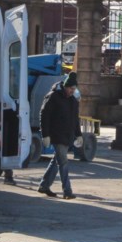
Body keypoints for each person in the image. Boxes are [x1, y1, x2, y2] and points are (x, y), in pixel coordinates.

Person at [37, 71, 81, 200]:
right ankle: (67, 191)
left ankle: (44, 186)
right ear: (65, 87)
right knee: (63, 162)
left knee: (57, 160)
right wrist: (45, 135)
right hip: (56, 135)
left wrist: (79, 135)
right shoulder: (53, 96)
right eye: (71, 89)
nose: (72, 91)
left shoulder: (73, 101)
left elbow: (75, 119)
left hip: (67, 136)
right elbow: (44, 115)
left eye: (74, 89)